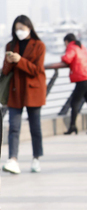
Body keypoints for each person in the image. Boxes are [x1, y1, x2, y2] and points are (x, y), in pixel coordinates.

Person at [2, 15, 46, 175]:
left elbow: (37, 70)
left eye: (22, 28)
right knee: (14, 127)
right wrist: (8, 61)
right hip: (15, 91)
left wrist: (20, 60)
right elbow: (5, 71)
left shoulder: (39, 45)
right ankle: (12, 159)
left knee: (35, 127)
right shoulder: (10, 44)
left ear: (29, 28)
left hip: (33, 90)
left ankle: (36, 158)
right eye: (17, 28)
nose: (19, 31)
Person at [61, 33, 87, 134]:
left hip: (81, 78)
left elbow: (67, 58)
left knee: (74, 102)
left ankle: (73, 126)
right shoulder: (81, 46)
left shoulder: (71, 46)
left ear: (67, 41)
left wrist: (62, 57)